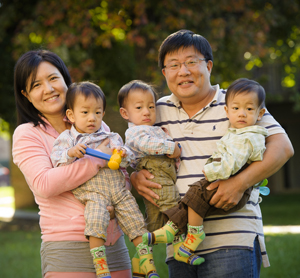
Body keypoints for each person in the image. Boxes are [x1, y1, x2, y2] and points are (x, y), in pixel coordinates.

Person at [130, 29, 294, 278]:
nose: (183, 71)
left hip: (233, 239)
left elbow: (283, 147)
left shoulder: (237, 102)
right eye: (173, 65)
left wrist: (239, 183)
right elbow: (133, 153)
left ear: (208, 66)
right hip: (179, 245)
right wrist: (136, 178)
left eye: (191, 62)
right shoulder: (154, 109)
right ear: (164, 73)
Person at [12, 50, 132, 278]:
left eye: (53, 78)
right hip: (68, 247)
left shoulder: (93, 121)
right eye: (36, 85)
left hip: (113, 243)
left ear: (66, 80)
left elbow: (121, 172)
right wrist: (97, 159)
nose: (48, 89)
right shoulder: (27, 134)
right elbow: (44, 184)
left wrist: (118, 202)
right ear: (26, 95)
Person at [143, 78, 268, 266]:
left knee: (196, 192)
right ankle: (175, 229)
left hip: (231, 234)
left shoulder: (248, 131)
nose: (242, 113)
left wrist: (211, 171)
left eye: (249, 110)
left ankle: (179, 229)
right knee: (193, 198)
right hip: (179, 251)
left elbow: (235, 161)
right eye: (174, 64)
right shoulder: (157, 108)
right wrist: (137, 174)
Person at [50, 81, 158, 278]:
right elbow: (57, 161)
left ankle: (145, 259)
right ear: (71, 115)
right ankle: (101, 265)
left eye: (97, 113)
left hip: (118, 190)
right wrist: (71, 153)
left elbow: (128, 161)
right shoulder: (68, 139)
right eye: (85, 113)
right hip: (93, 193)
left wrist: (123, 153)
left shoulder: (111, 136)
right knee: (95, 221)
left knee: (134, 218)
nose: (92, 118)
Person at [117, 80, 182, 276]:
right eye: (139, 107)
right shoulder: (136, 132)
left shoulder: (153, 128)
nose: (146, 112)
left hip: (159, 176)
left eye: (151, 107)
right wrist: (172, 148)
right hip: (157, 176)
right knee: (174, 210)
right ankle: (180, 245)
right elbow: (147, 145)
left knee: (154, 221)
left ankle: (141, 259)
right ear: (125, 114)